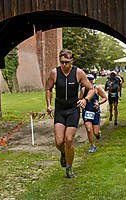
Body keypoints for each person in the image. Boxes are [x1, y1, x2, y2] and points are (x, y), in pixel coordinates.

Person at [46, 49, 95, 178]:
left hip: (73, 109)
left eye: (66, 62)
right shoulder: (54, 73)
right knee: (59, 142)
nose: (64, 65)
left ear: (71, 60)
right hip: (60, 109)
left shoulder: (78, 73)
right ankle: (63, 153)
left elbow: (91, 89)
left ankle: (69, 167)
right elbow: (48, 89)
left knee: (69, 139)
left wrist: (85, 100)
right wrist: (49, 105)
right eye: (61, 62)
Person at [79, 74, 107, 152]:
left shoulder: (97, 88)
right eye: (87, 79)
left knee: (95, 132)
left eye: (90, 79)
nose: (89, 81)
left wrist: (99, 103)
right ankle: (92, 146)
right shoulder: (83, 90)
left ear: (92, 80)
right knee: (88, 129)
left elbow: (105, 97)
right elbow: (80, 99)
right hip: (86, 112)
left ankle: (98, 133)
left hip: (95, 112)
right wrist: (81, 104)